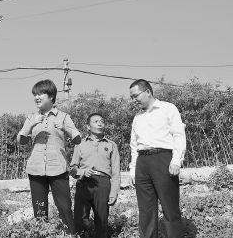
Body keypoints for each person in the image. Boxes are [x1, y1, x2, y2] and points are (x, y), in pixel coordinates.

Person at [17, 79, 81, 234]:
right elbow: (21, 141)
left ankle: (71, 234)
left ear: (51, 96)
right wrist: (31, 125)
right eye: (35, 94)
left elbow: (78, 139)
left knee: (64, 206)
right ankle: (41, 234)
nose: (36, 97)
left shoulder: (64, 117)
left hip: (58, 167)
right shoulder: (31, 117)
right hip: (36, 168)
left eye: (40, 94)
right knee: (39, 208)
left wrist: (65, 128)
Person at [129, 79, 186, 238]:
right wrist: (133, 170)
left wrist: (176, 160)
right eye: (132, 97)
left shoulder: (167, 108)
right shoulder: (137, 117)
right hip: (142, 162)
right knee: (145, 210)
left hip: (163, 159)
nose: (134, 100)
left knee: (170, 207)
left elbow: (178, 135)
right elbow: (134, 145)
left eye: (135, 96)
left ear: (147, 91)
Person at [70, 113, 121, 238]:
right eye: (96, 121)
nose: (99, 123)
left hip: (103, 183)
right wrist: (82, 172)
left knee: (102, 220)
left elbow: (116, 172)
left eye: (102, 121)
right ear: (88, 126)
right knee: (80, 219)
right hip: (84, 183)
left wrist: (114, 192)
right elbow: (72, 169)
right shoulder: (80, 144)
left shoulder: (111, 145)